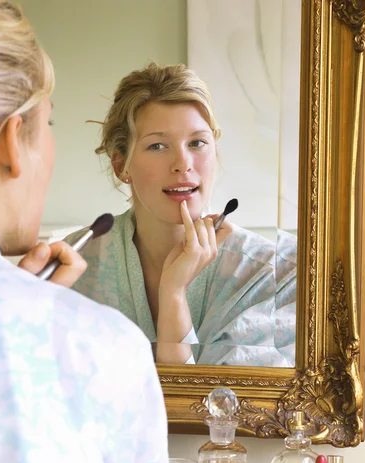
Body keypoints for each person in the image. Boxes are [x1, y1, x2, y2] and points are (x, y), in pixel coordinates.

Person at [0, 2, 168, 463]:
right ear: (14, 140)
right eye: (52, 124)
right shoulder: (101, 351)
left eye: (198, 142)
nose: (182, 164)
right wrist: (40, 325)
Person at [66, 63, 296, 367]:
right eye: (157, 145)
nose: (182, 164)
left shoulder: (275, 274)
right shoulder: (76, 264)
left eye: (197, 143)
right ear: (121, 166)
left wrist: (173, 294)